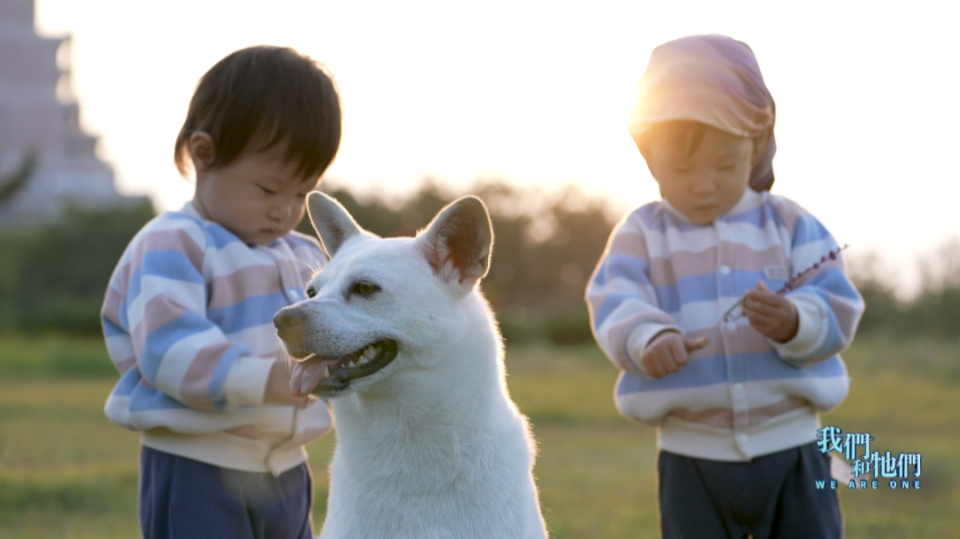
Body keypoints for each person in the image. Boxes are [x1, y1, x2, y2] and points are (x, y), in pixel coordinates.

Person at [586, 35, 864, 539]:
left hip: (795, 449)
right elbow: (614, 298)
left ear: (756, 146)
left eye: (725, 165)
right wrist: (647, 338)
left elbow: (836, 300)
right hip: (691, 456)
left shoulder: (790, 225)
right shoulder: (642, 234)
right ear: (649, 156)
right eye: (682, 168)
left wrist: (798, 320)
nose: (704, 183)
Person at [100, 45, 341, 539]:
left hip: (287, 468)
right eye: (270, 190)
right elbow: (168, 352)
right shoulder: (174, 244)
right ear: (203, 155)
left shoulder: (306, 255)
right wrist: (268, 379)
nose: (286, 210)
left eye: (303, 192)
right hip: (197, 466)